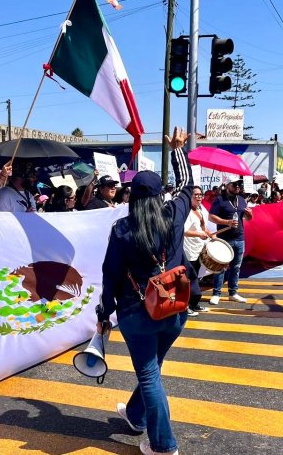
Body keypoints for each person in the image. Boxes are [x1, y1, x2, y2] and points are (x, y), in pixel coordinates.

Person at [97, 127, 192, 455]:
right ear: (158, 196)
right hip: (174, 307)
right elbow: (186, 188)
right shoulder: (173, 217)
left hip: (138, 313)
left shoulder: (122, 230)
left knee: (150, 375)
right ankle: (136, 415)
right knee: (152, 366)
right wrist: (178, 150)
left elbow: (110, 277)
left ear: (131, 197)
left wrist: (104, 313)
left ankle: (164, 445)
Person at [207, 177, 253, 305]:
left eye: (239, 184)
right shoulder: (219, 200)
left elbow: (247, 219)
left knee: (236, 268)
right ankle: (216, 293)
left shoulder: (242, 200)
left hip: (239, 238)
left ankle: (233, 292)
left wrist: (249, 215)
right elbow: (211, 217)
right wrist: (226, 222)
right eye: (235, 184)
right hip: (224, 239)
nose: (238, 186)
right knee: (220, 267)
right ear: (228, 186)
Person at [183, 186, 214, 316]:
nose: (199, 197)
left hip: (199, 249)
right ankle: (187, 306)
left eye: (201, 195)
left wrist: (211, 234)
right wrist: (198, 235)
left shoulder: (200, 210)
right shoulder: (187, 212)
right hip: (189, 251)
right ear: (190, 197)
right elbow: (184, 231)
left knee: (196, 279)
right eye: (196, 194)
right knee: (190, 279)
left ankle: (194, 304)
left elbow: (203, 228)